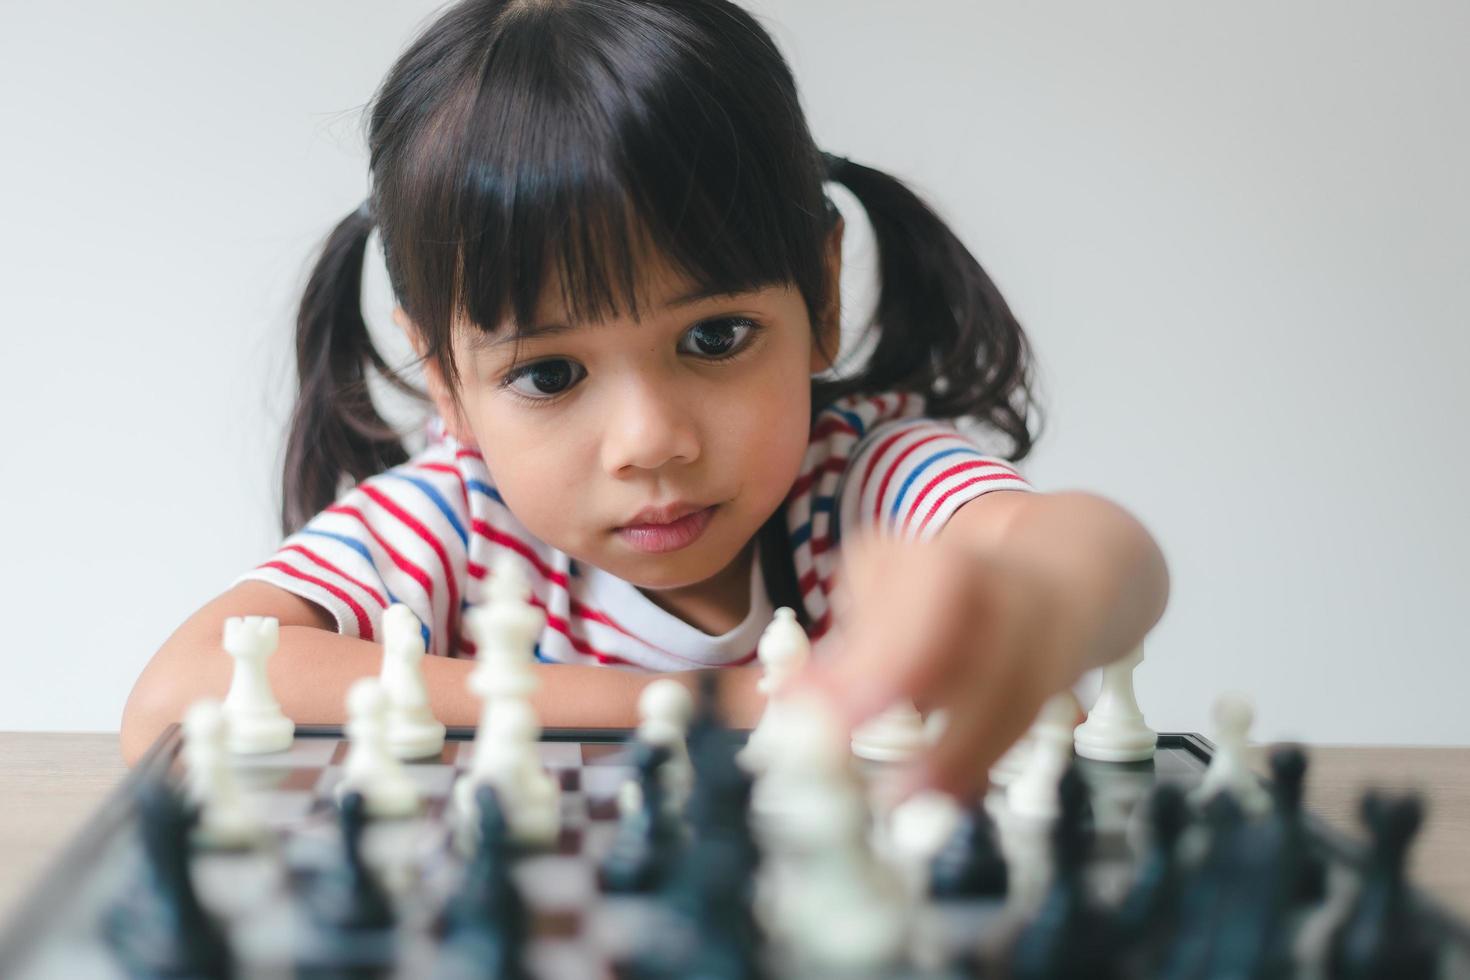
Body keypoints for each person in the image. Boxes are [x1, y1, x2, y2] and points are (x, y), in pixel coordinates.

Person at [121, 0, 1170, 792]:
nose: (651, 439)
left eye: (715, 337)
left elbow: (1103, 554)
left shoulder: (859, 482)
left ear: (824, 285)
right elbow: (178, 693)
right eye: (549, 373)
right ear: (445, 380)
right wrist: (710, 704)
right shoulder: (450, 526)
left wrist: (1034, 602)